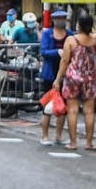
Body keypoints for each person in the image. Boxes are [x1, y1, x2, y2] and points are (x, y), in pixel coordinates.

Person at [57, 10, 96, 151]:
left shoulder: (71, 40)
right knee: (89, 112)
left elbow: (65, 61)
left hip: (73, 78)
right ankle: (89, 143)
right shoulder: (95, 40)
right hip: (90, 79)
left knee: (73, 111)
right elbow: (95, 35)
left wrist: (58, 79)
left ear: (78, 25)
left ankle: (73, 143)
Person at [39, 8, 70, 146]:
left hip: (65, 75)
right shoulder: (47, 34)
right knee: (47, 107)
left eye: (63, 18)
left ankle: (58, 136)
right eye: (58, 18)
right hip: (49, 74)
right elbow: (44, 51)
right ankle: (45, 136)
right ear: (53, 20)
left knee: (62, 108)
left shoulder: (70, 34)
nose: (60, 21)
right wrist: (58, 52)